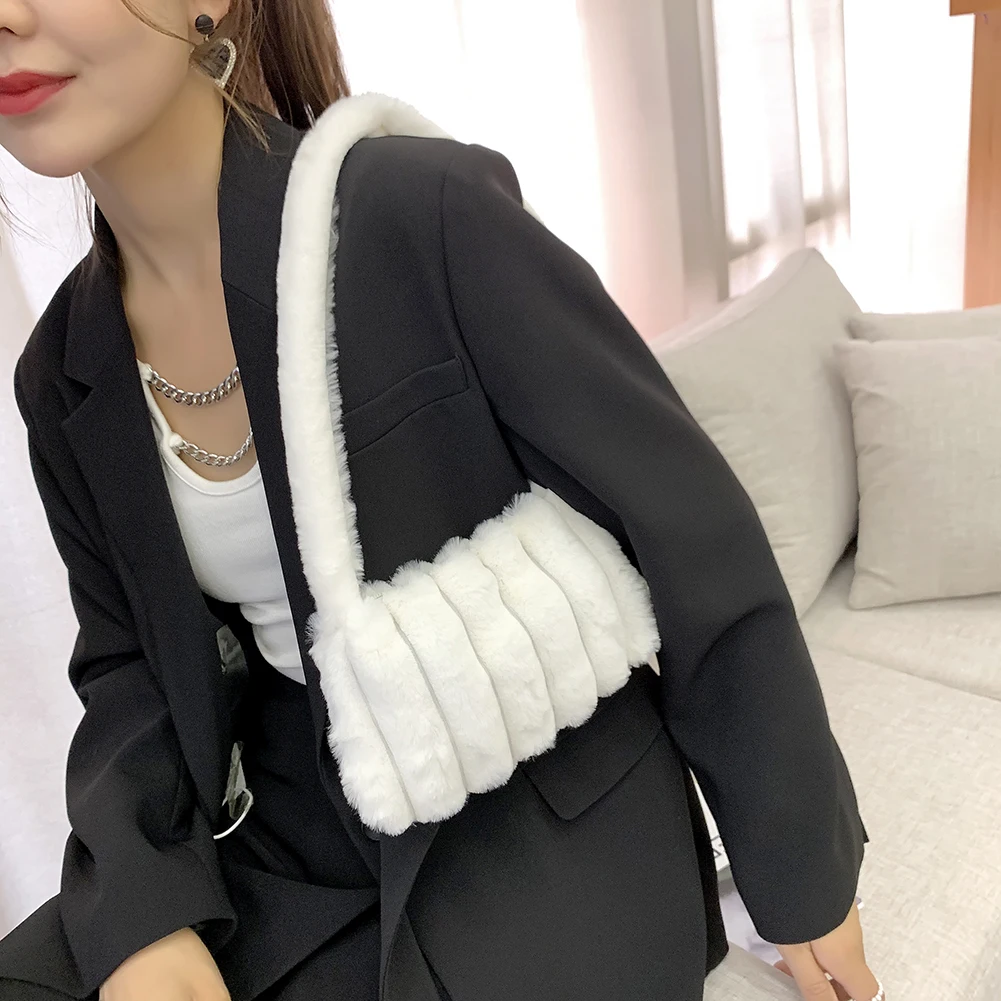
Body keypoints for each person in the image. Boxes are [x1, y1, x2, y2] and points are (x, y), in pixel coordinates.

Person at [0, 2, 883, 1000]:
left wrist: (803, 879)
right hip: (290, 828)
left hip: (532, 811)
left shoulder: (417, 212)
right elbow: (128, 669)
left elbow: (686, 536)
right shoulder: (63, 369)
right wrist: (145, 915)